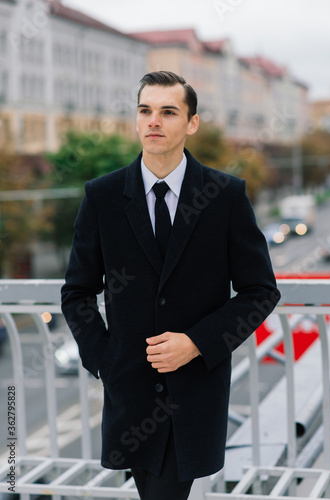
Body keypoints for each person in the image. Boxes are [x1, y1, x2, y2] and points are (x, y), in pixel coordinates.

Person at [61, 71, 280, 500]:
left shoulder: (226, 195)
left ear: (191, 123)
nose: (153, 121)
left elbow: (261, 292)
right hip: (131, 394)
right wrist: (106, 360)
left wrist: (197, 342)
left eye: (168, 112)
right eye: (145, 111)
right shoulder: (102, 196)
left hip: (194, 394)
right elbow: (77, 291)